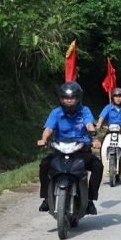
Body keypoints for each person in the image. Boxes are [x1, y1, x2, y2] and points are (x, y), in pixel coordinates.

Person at [37, 81, 102, 215]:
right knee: (44, 164)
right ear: (61, 98)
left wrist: (94, 140)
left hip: (81, 150)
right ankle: (46, 198)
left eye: (72, 98)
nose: (69, 101)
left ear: (78, 98)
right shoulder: (56, 112)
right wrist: (44, 139)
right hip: (61, 150)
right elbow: (49, 128)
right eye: (66, 98)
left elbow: (90, 126)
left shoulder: (84, 111)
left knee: (97, 166)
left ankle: (90, 200)